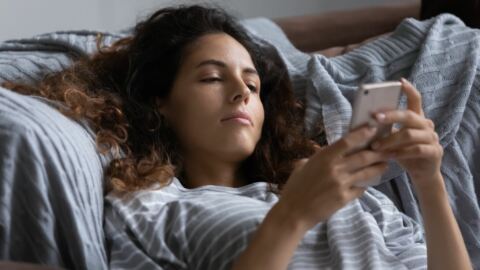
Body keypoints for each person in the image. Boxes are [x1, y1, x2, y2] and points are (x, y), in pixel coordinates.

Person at [3, 4, 472, 270]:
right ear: (159, 100)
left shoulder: (348, 194)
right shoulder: (148, 209)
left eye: (253, 85)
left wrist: (428, 183)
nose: (240, 94)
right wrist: (292, 217)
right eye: (212, 78)